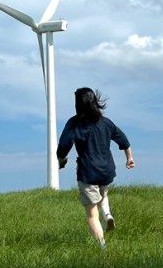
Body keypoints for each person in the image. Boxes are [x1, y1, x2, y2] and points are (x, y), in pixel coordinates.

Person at [57, 87, 135, 251]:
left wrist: (61, 161)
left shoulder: (74, 123)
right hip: (106, 170)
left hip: (88, 173)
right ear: (95, 102)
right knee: (103, 193)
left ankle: (103, 250)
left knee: (92, 216)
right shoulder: (106, 122)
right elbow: (124, 140)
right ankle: (107, 215)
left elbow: (63, 147)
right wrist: (129, 158)